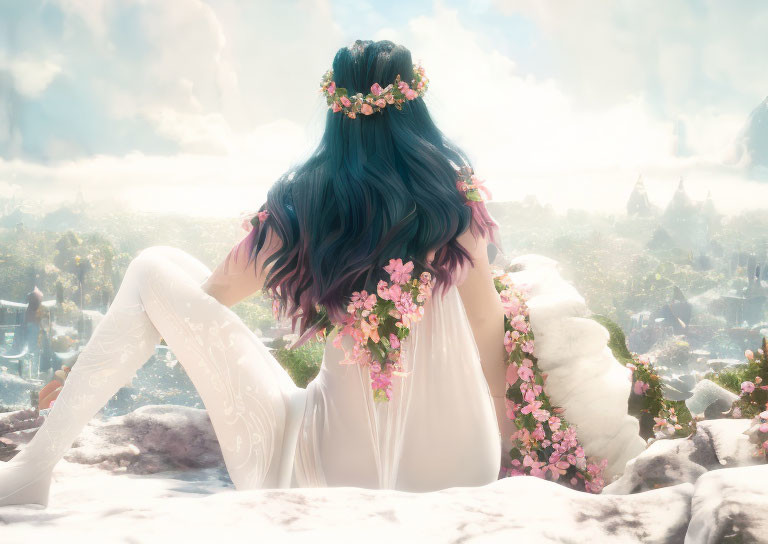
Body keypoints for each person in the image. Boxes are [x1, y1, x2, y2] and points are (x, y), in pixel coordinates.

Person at [0, 40, 642, 508]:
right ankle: (35, 467)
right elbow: (485, 320)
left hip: (328, 471)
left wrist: (89, 363)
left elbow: (215, 294)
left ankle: (35, 468)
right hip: (464, 465)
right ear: (413, 105)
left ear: (335, 108)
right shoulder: (455, 195)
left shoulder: (306, 196)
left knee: (152, 269)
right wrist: (505, 430)